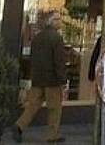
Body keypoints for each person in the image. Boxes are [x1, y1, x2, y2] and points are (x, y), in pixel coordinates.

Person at [13, 10, 67, 143]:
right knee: (54, 108)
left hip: (38, 78)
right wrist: (62, 79)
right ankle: (52, 135)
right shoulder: (56, 38)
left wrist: (33, 74)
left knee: (33, 105)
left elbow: (33, 58)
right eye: (58, 19)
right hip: (52, 79)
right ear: (52, 22)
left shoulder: (38, 37)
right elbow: (59, 61)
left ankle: (19, 125)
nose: (60, 21)